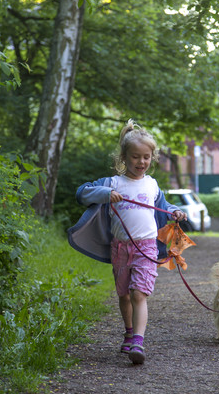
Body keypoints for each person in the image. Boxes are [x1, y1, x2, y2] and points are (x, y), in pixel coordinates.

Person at [74, 119, 187, 365]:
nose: (141, 162)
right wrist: (105, 195)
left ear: (152, 158)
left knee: (139, 294)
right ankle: (128, 332)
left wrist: (176, 211)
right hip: (120, 248)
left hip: (146, 247)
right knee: (124, 295)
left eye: (146, 157)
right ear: (124, 157)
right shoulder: (112, 183)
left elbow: (163, 208)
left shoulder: (152, 184)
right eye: (135, 157)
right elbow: (82, 193)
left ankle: (138, 340)